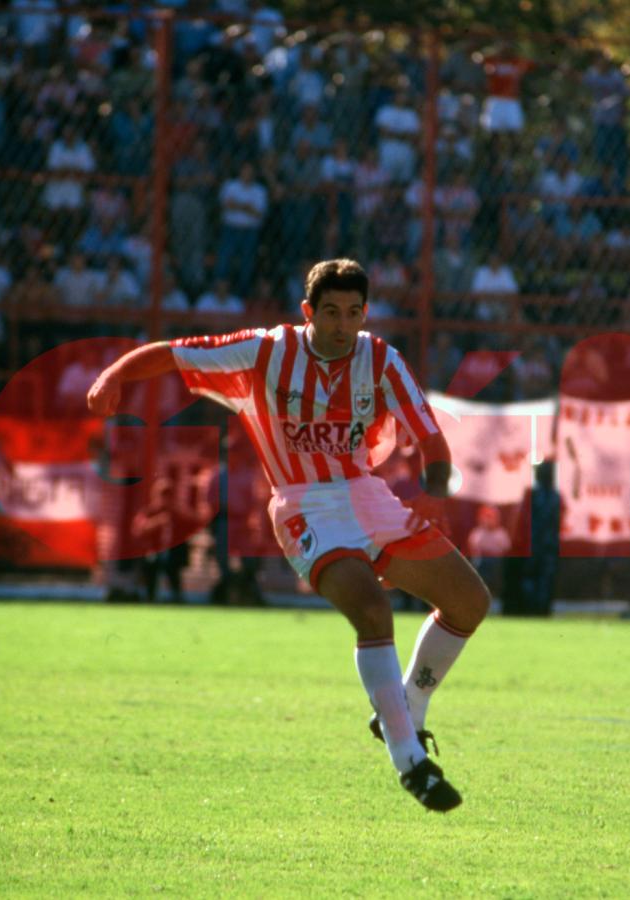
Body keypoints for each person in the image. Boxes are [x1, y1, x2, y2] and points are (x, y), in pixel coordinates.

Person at [87, 259, 488, 812]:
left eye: (353, 313)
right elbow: (173, 351)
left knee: (470, 601)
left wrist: (434, 488)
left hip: (365, 495)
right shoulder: (267, 351)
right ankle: (409, 761)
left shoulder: (380, 359)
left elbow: (430, 437)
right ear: (308, 313)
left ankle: (407, 708)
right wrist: (113, 377)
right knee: (372, 609)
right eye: (330, 313)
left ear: (365, 313)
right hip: (304, 505)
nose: (342, 325)